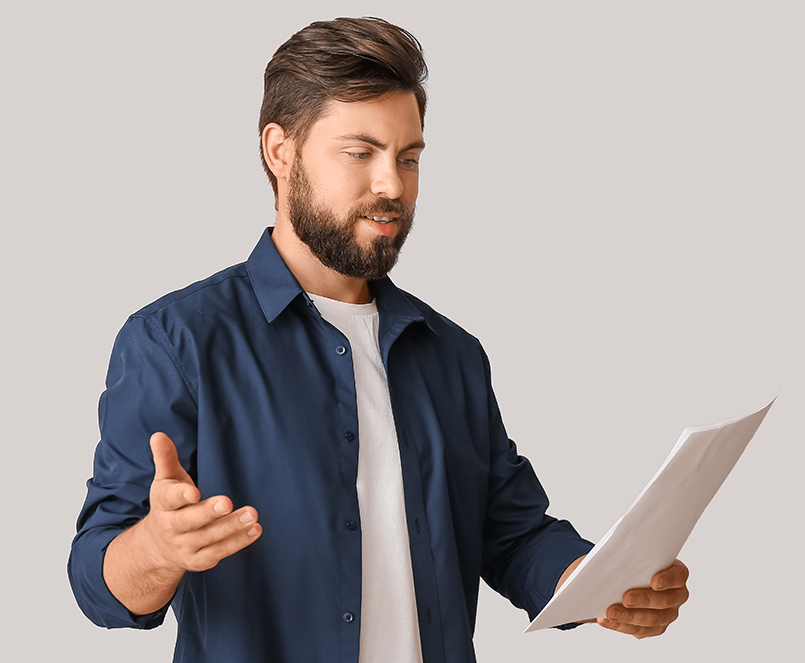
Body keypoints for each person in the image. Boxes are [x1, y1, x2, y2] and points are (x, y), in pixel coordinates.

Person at [69, 17, 689, 663]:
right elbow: (96, 579)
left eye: (410, 157)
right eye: (360, 152)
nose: (392, 185)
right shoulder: (176, 342)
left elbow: (510, 534)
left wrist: (603, 582)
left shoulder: (451, 354)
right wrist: (158, 547)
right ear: (280, 150)